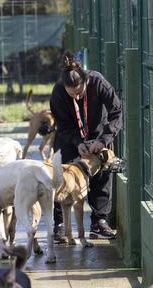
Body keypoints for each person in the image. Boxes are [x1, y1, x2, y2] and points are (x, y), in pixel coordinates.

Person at [50, 51, 123, 240]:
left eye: (79, 92)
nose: (75, 96)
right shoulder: (58, 91)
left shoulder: (98, 82)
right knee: (60, 175)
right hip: (70, 137)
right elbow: (62, 124)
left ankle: (99, 221)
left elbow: (116, 112)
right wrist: (77, 142)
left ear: (85, 81)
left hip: (98, 134)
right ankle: (58, 224)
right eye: (71, 93)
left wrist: (104, 139)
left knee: (103, 173)